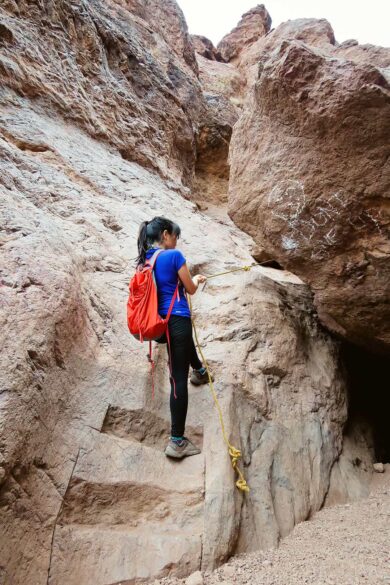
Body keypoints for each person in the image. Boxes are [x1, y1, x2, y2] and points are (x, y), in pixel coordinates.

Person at [136, 216, 210, 459]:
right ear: (166, 234)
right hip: (176, 319)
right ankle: (177, 441)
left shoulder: (144, 261)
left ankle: (199, 372)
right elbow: (190, 288)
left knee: (182, 345)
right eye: (175, 236)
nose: (176, 241)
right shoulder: (174, 256)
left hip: (156, 325)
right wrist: (197, 279)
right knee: (178, 378)